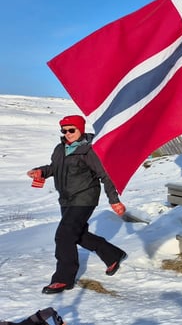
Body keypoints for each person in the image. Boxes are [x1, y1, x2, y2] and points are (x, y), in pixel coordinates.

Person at [27, 115, 128, 294]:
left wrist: (114, 200)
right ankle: (113, 255)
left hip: (84, 198)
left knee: (64, 236)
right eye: (64, 130)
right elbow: (54, 167)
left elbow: (106, 175)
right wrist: (41, 171)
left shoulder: (89, 151)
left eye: (71, 130)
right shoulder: (60, 149)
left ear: (80, 129)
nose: (68, 134)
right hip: (66, 199)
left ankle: (63, 279)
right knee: (78, 234)